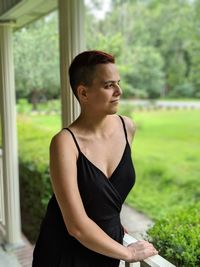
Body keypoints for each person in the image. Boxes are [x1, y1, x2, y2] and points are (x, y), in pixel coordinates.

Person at [32, 50, 158, 267]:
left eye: (118, 83)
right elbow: (76, 226)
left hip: (105, 248)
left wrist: (112, 222)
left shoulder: (127, 127)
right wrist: (127, 254)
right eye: (109, 85)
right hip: (64, 254)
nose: (119, 91)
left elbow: (106, 196)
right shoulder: (65, 143)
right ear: (83, 93)